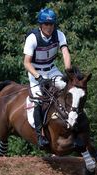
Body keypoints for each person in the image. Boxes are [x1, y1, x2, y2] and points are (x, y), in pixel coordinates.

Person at [23, 8, 71, 149]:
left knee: (67, 90)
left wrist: (68, 71)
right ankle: (40, 136)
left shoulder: (59, 34)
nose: (49, 28)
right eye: (46, 24)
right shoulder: (32, 38)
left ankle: (71, 123)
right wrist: (38, 77)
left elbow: (65, 52)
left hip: (52, 69)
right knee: (39, 100)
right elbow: (26, 62)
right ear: (40, 25)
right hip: (35, 72)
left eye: (51, 25)